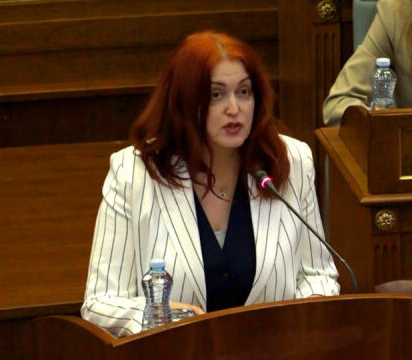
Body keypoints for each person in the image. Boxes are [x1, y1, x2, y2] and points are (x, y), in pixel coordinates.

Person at [81, 31, 340, 336]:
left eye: (244, 92)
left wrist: (302, 322)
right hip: (177, 358)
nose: (234, 108)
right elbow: (100, 303)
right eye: (216, 95)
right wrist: (164, 318)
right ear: (184, 101)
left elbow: (318, 275)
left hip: (273, 355)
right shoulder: (134, 173)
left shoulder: (290, 162)